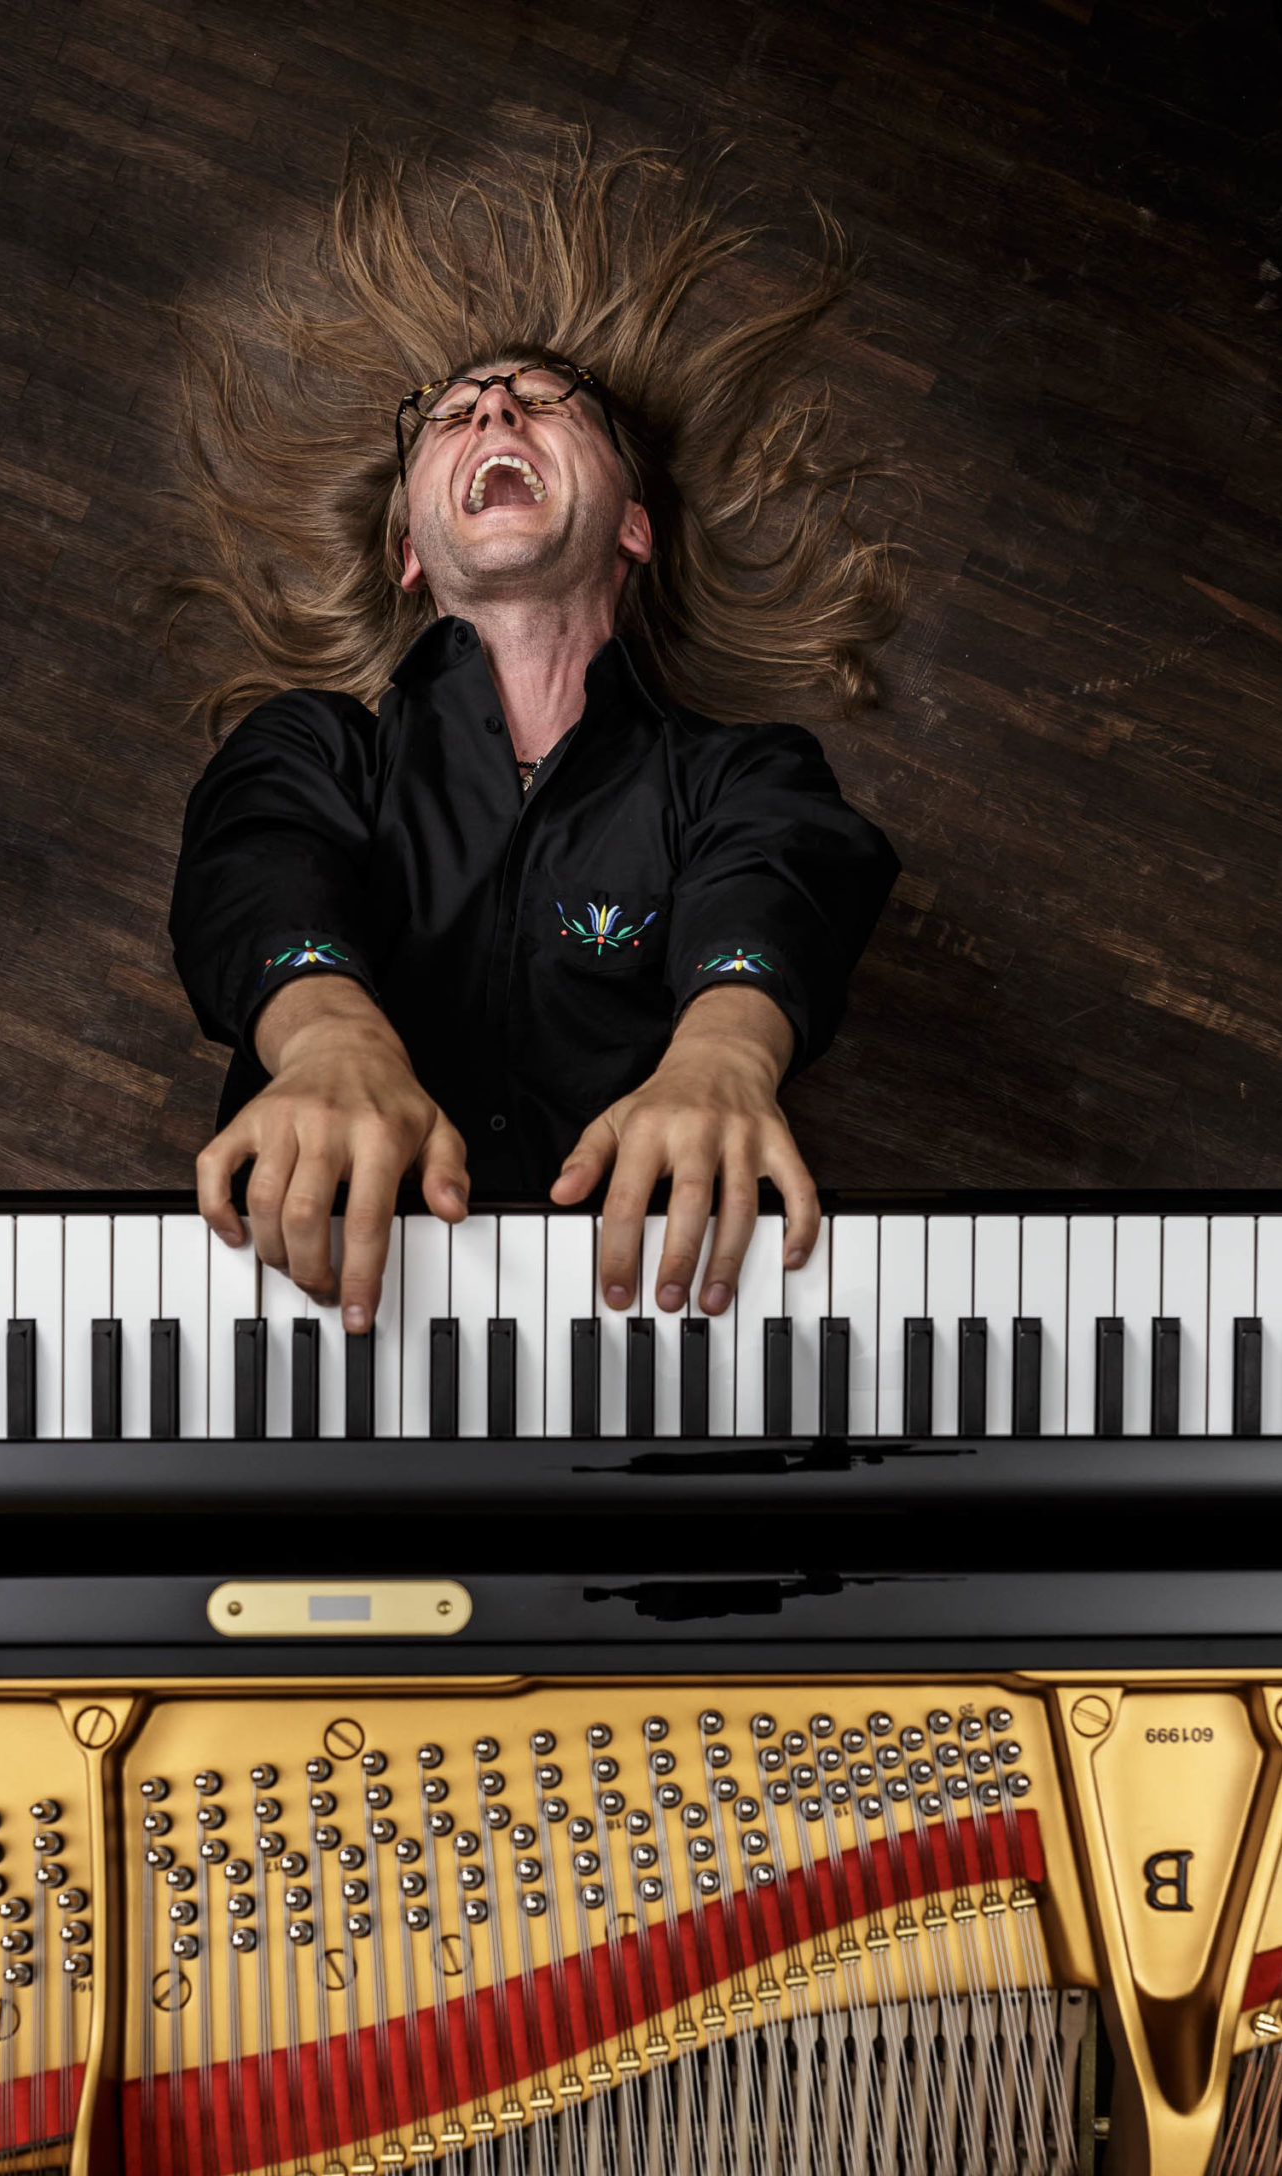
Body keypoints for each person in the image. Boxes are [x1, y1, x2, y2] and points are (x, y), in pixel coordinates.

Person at [162, 130, 903, 1337]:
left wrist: (724, 1054)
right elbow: (255, 862)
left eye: (547, 402)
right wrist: (327, 1036)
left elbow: (782, 879)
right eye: (450, 415)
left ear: (634, 527)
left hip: (661, 1337)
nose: (494, 404)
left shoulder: (740, 775)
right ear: (412, 551)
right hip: (327, 1331)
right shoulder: (314, 749)